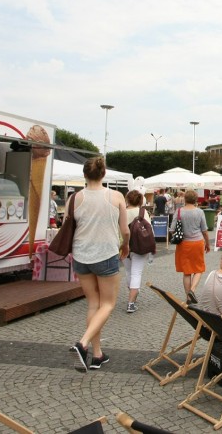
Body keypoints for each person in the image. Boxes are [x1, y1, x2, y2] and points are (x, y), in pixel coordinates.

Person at [68, 157, 130, 372]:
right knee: (108, 304)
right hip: (106, 253)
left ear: (84, 175)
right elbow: (125, 230)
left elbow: (69, 226)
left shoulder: (75, 198)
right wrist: (126, 246)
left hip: (81, 255)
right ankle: (83, 343)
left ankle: (97, 355)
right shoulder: (116, 196)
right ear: (103, 174)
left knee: (93, 304)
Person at [171, 190, 211, 303]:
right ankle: (192, 291)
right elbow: (204, 230)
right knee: (199, 269)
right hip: (197, 242)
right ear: (196, 200)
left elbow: (172, 229)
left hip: (183, 244)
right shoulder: (199, 212)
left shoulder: (179, 211)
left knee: (187, 271)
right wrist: (207, 244)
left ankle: (188, 297)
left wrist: (178, 236)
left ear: (185, 199)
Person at [123, 190, 151, 314]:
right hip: (140, 247)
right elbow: (150, 231)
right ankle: (131, 303)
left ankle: (133, 292)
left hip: (124, 246)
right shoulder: (143, 212)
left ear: (127, 199)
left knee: (129, 272)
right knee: (136, 273)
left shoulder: (121, 212)